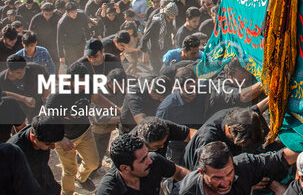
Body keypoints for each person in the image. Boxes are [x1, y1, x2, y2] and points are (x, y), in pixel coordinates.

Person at [45, 61, 120, 194]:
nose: (82, 87)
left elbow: (98, 99)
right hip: (64, 138)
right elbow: (47, 121)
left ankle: (81, 178)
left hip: (84, 132)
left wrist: (117, 110)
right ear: (69, 80)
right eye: (79, 83)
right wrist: (60, 139)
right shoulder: (56, 96)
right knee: (69, 170)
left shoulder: (87, 84)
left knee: (93, 163)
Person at [178, 140, 298, 195]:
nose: (225, 183)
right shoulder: (187, 191)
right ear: (202, 173)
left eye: (229, 173)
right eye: (217, 178)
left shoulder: (243, 165)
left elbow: (279, 159)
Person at [96, 134, 188, 195]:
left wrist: (198, 182)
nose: (149, 161)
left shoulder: (154, 160)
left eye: (147, 154)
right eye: (142, 160)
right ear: (125, 168)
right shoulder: (107, 191)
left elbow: (179, 172)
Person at [183, 107, 264, 169]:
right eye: (243, 143)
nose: (245, 145)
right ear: (229, 130)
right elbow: (205, 176)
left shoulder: (237, 115)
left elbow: (254, 110)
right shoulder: (208, 140)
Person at [8, 115, 65, 195]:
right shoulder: (14, 151)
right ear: (33, 137)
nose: (53, 147)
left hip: (44, 179)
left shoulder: (42, 131)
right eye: (48, 144)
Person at [0, 53, 48, 119]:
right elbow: (3, 95)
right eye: (18, 73)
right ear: (9, 70)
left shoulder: (34, 68)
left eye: (24, 71)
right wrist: (23, 99)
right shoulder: (1, 80)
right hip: (18, 112)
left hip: (38, 105)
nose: (22, 74)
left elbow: (45, 75)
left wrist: (46, 88)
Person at [141, 2, 178, 72]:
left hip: (164, 47)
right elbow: (146, 35)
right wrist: (144, 52)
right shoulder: (157, 21)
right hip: (154, 48)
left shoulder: (170, 20)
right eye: (172, 15)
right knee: (156, 69)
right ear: (167, 14)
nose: (173, 17)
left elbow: (171, 32)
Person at [56, 0, 91, 65]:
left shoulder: (82, 15)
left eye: (75, 11)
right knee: (73, 65)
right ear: (66, 12)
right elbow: (59, 39)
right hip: (69, 46)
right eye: (72, 12)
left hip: (81, 42)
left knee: (84, 63)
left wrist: (89, 44)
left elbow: (87, 30)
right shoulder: (62, 22)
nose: (74, 14)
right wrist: (61, 56)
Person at [29, 3, 61, 69]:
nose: (48, 16)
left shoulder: (57, 18)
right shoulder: (36, 18)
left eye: (50, 14)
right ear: (42, 11)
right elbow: (31, 31)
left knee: (55, 60)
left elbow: (62, 30)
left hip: (53, 43)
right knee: (41, 61)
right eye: (46, 14)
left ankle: (55, 74)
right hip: (40, 43)